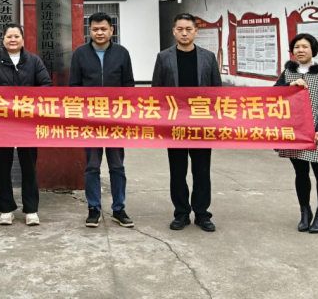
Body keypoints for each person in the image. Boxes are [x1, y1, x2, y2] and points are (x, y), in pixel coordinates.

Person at [152, 13, 222, 232]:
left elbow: (218, 91)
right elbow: (156, 92)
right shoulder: (164, 57)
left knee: (202, 171)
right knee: (177, 170)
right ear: (174, 31)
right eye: (180, 29)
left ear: (195, 32)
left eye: (188, 29)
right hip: (174, 125)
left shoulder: (208, 57)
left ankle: (202, 214)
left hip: (202, 124)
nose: (184, 33)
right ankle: (181, 213)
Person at [274, 33, 318, 234]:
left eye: (305, 46)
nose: (301, 50)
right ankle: (305, 213)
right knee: (300, 173)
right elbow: (274, 93)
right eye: (297, 47)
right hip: (294, 131)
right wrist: (290, 85)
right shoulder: (288, 73)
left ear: (313, 50)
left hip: (315, 131)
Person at [69, 12, 135, 229]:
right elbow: (74, 87)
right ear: (89, 30)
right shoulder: (80, 54)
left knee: (117, 166)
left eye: (103, 29)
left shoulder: (122, 53)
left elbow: (129, 86)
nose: (99, 33)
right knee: (92, 166)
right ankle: (94, 209)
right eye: (95, 29)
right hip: (91, 120)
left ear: (111, 30)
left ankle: (119, 209)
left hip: (116, 120)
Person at [0, 23, 51, 226]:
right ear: (3, 39)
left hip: (27, 123)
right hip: (2, 124)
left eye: (16, 36)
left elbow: (46, 86)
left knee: (29, 167)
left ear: (22, 39)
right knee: (2, 167)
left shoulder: (34, 61)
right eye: (9, 36)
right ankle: (6, 209)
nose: (13, 40)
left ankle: (31, 209)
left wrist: (26, 99)